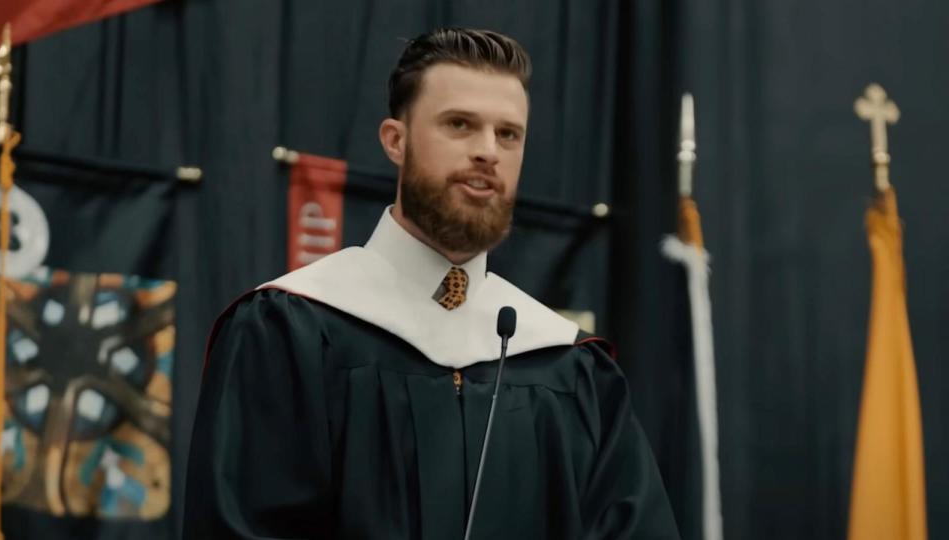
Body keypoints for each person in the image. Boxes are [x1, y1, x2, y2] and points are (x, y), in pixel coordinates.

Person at [184, 28, 679, 539]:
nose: (488, 151)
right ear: (396, 141)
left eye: (508, 134)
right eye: (460, 125)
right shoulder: (291, 329)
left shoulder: (567, 364)